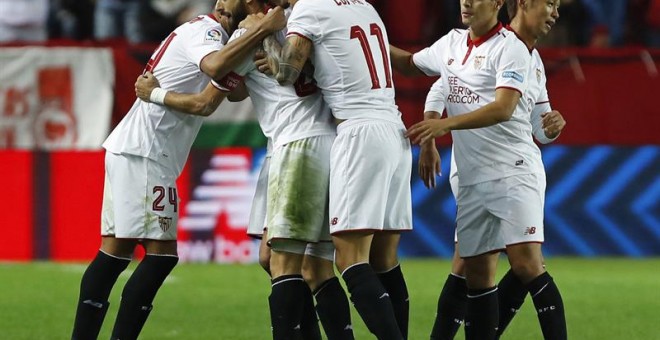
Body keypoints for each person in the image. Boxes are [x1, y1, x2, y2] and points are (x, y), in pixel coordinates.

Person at [135, 2, 354, 339]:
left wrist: (156, 93)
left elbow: (208, 98)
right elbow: (237, 91)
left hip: (298, 146)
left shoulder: (249, 33)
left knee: (285, 264)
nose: (220, 6)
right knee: (301, 264)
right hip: (327, 140)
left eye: (226, 0)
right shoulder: (302, 24)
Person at [70, 2, 286, 339]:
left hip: (137, 150)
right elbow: (204, 98)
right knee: (160, 258)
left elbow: (230, 94)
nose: (223, 4)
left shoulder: (225, 42)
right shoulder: (206, 31)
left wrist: (249, 57)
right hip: (146, 153)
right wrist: (259, 32)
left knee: (114, 253)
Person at [400, 0, 567, 338]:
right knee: (473, 271)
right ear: (520, 4)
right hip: (473, 175)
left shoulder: (522, 55)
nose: (555, 13)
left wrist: (551, 126)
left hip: (513, 170)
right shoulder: (456, 43)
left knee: (525, 264)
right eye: (549, 3)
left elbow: (526, 120)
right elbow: (439, 84)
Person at [269, 1, 412, 339]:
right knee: (384, 260)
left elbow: (286, 72)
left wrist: (264, 37)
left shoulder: (308, 9)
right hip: (395, 130)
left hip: (359, 132)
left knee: (349, 259)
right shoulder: (364, 6)